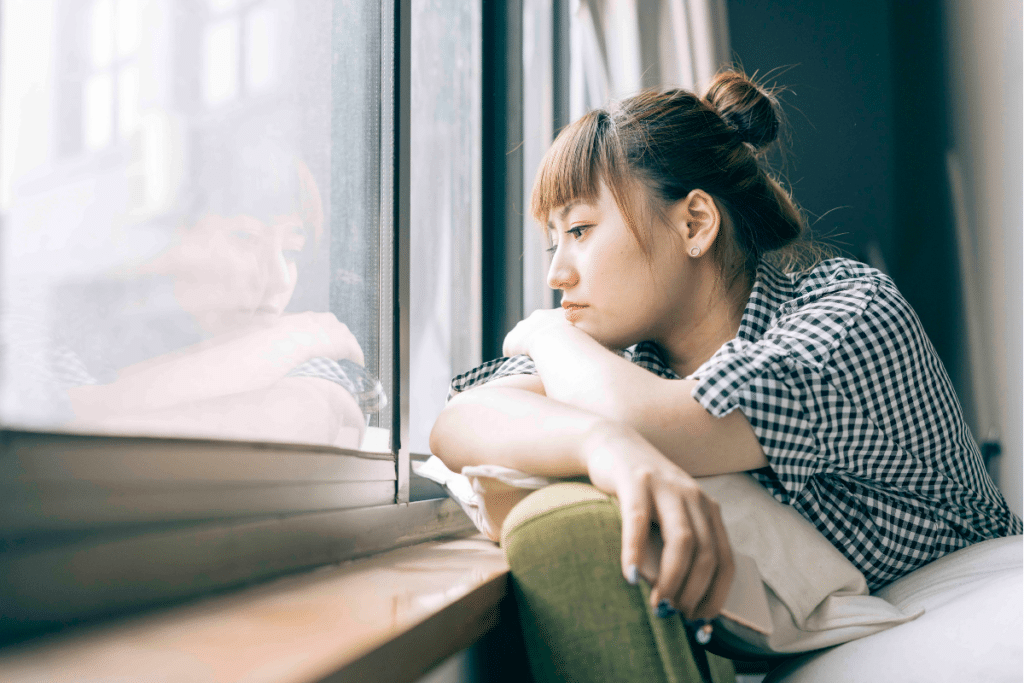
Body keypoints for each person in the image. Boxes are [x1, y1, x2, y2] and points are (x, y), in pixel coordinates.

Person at [429, 70, 1022, 678]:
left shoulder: (849, 311)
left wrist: (546, 334)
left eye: (579, 231)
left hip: (973, 616)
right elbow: (458, 422)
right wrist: (602, 445)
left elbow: (651, 418)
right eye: (552, 243)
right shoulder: (627, 362)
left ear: (694, 225)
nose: (557, 275)